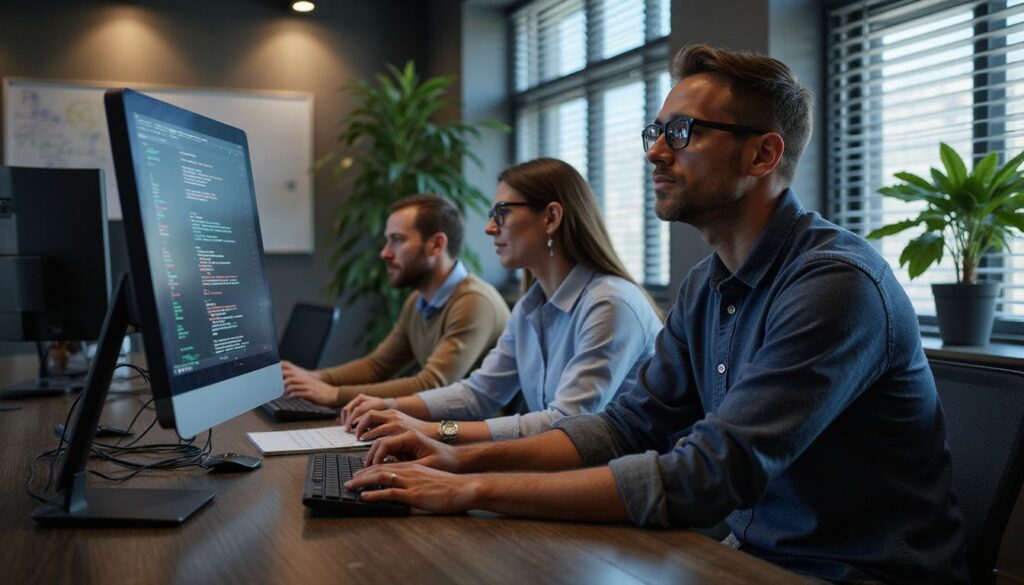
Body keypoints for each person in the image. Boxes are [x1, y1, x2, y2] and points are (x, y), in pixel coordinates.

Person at [346, 45, 969, 583]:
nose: (655, 154)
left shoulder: (835, 284)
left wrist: (471, 487)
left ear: (762, 156)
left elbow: (704, 476)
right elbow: (625, 428)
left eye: (683, 133)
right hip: (752, 555)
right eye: (656, 133)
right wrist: (458, 455)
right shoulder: (706, 286)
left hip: (852, 573)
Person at [340, 158, 663, 444]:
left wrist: (436, 430)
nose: (489, 227)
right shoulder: (529, 307)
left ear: (551, 217)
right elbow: (478, 393)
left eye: (502, 213)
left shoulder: (610, 304)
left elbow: (564, 423)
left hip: (622, 488)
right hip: (564, 474)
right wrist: (392, 406)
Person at [282, 194, 510, 407]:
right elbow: (377, 366)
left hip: (477, 436)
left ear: (437, 245)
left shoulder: (474, 302)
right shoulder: (418, 301)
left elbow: (432, 385)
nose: (385, 253)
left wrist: (334, 394)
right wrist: (313, 378)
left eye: (397, 240)